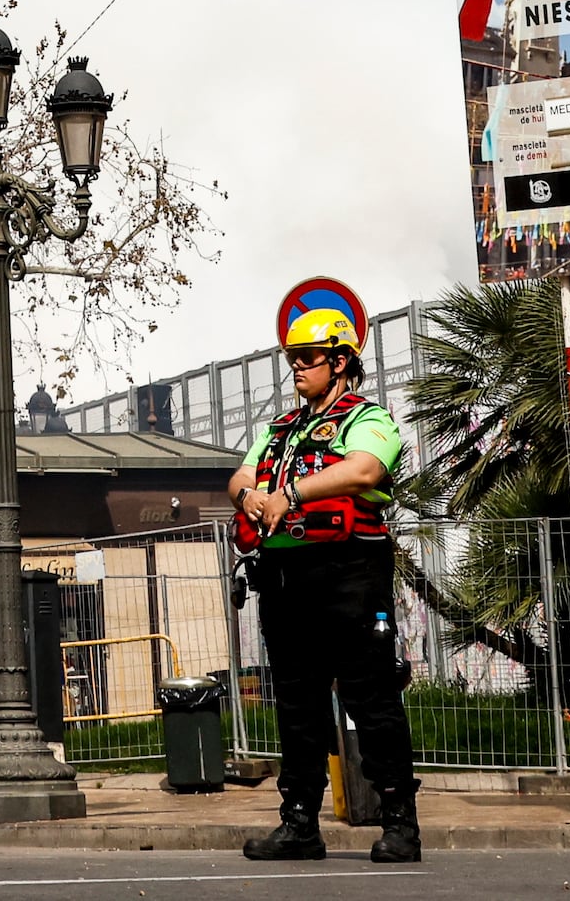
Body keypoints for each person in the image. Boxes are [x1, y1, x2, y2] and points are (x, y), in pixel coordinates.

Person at [231, 280, 420, 866]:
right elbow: (239, 476)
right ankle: (298, 824)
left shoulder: (370, 418)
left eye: (308, 360)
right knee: (296, 704)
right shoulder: (279, 429)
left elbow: (363, 471)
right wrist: (250, 500)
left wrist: (291, 492)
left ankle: (399, 824)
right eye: (292, 361)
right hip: (286, 579)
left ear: (341, 361)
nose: (297, 371)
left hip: (350, 574)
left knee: (371, 697)